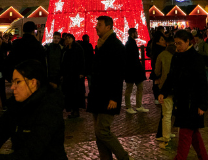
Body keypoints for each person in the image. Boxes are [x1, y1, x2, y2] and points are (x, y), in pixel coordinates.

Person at [159, 29, 208, 160]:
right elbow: (171, 76)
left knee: (185, 135)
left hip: (192, 103)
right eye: (175, 43)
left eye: (180, 43)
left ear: (188, 42)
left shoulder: (196, 58)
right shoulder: (176, 57)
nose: (177, 46)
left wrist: (202, 105)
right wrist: (163, 92)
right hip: (181, 101)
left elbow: (202, 83)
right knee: (194, 135)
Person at [87, 16, 131, 160]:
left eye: (99, 25)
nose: (96, 27)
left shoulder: (116, 46)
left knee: (103, 131)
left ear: (108, 27)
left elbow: (118, 74)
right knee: (98, 133)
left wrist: (114, 97)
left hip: (107, 96)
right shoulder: (101, 44)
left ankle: (124, 157)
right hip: (97, 95)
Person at [153, 42, 176, 147]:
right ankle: (167, 133)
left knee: (166, 113)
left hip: (164, 86)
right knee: (174, 113)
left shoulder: (162, 55)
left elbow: (157, 71)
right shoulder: (179, 55)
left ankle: (165, 135)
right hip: (176, 88)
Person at [124, 27, 148, 114]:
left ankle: (134, 106)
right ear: (132, 33)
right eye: (136, 32)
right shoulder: (130, 43)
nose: (137, 34)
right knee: (132, 88)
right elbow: (132, 58)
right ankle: (131, 106)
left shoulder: (130, 43)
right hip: (133, 70)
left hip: (132, 70)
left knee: (135, 88)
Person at [61, 33, 85, 118]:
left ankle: (75, 111)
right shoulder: (66, 49)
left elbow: (81, 61)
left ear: (72, 39)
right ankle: (72, 110)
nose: (67, 40)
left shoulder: (77, 48)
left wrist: (81, 72)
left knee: (75, 93)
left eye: (69, 38)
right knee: (70, 93)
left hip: (75, 75)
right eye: (66, 38)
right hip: (68, 75)